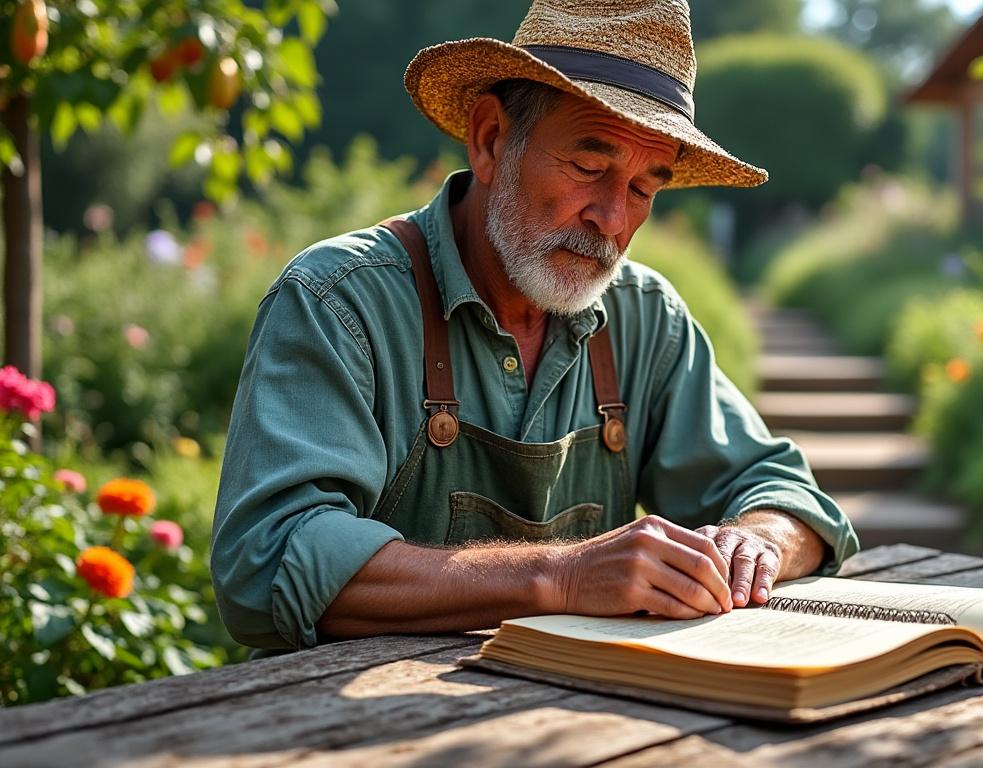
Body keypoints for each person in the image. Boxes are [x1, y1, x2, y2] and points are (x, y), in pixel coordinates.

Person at [211, 0, 858, 653]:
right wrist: (561, 575)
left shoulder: (644, 319)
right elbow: (269, 565)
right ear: (491, 139)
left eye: (643, 188)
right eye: (589, 166)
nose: (612, 217)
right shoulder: (340, 302)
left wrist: (758, 541)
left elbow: (788, 497)